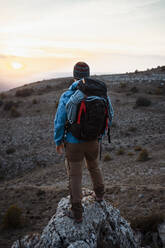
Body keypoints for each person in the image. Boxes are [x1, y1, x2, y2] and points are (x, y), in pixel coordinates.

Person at [54, 62, 114, 223]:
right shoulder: (101, 93)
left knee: (75, 174)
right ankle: (100, 194)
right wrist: (99, 134)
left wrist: (58, 140)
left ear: (74, 75)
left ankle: (77, 212)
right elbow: (110, 115)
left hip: (73, 142)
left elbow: (60, 120)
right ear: (88, 75)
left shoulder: (68, 94)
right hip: (94, 140)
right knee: (94, 166)